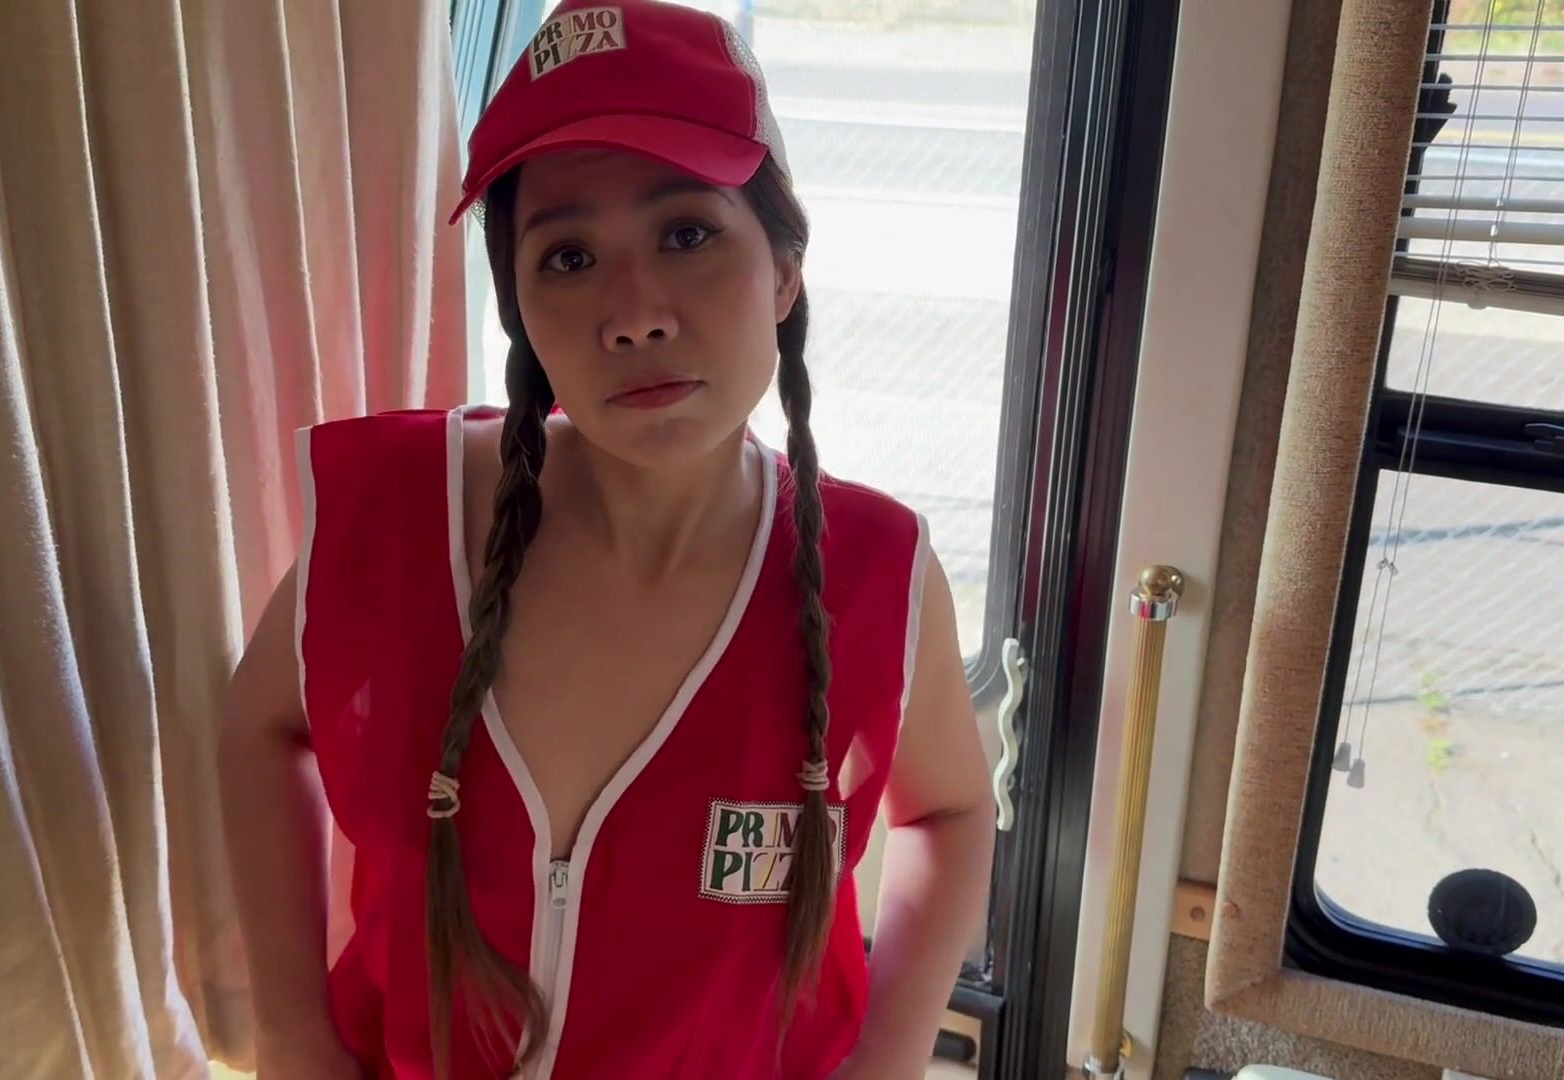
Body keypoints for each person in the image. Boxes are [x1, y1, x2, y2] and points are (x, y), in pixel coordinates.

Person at [218, 2, 995, 1077]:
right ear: (521, 311)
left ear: (784, 266)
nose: (634, 315)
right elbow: (260, 727)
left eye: (687, 234)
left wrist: (889, 1058)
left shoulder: (877, 575)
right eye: (569, 256)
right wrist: (289, 1030)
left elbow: (950, 810)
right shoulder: (395, 515)